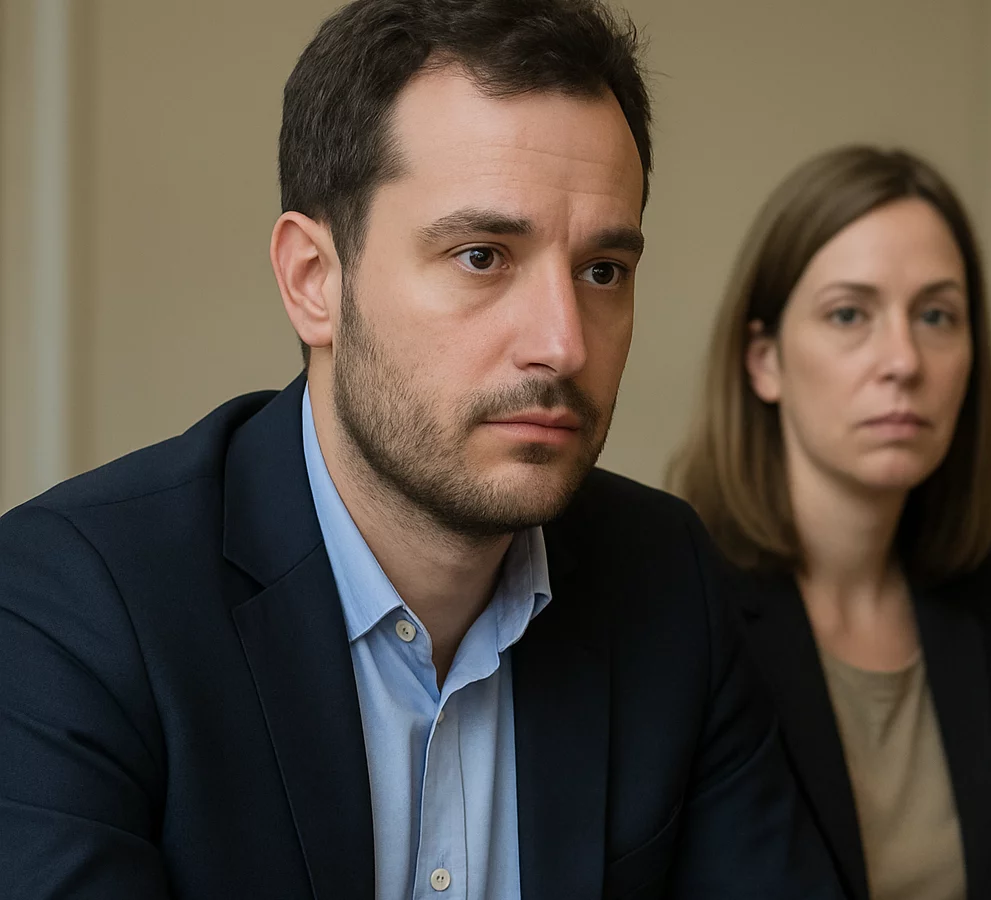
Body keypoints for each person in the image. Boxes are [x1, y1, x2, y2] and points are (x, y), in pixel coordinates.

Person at [0, 2, 844, 898]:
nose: (563, 344)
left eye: (603, 271)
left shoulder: (668, 582)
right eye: (482, 255)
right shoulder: (74, 609)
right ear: (314, 281)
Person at [669, 145, 991, 900]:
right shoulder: (683, 609)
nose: (904, 360)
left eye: (936, 316)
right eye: (849, 314)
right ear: (764, 360)